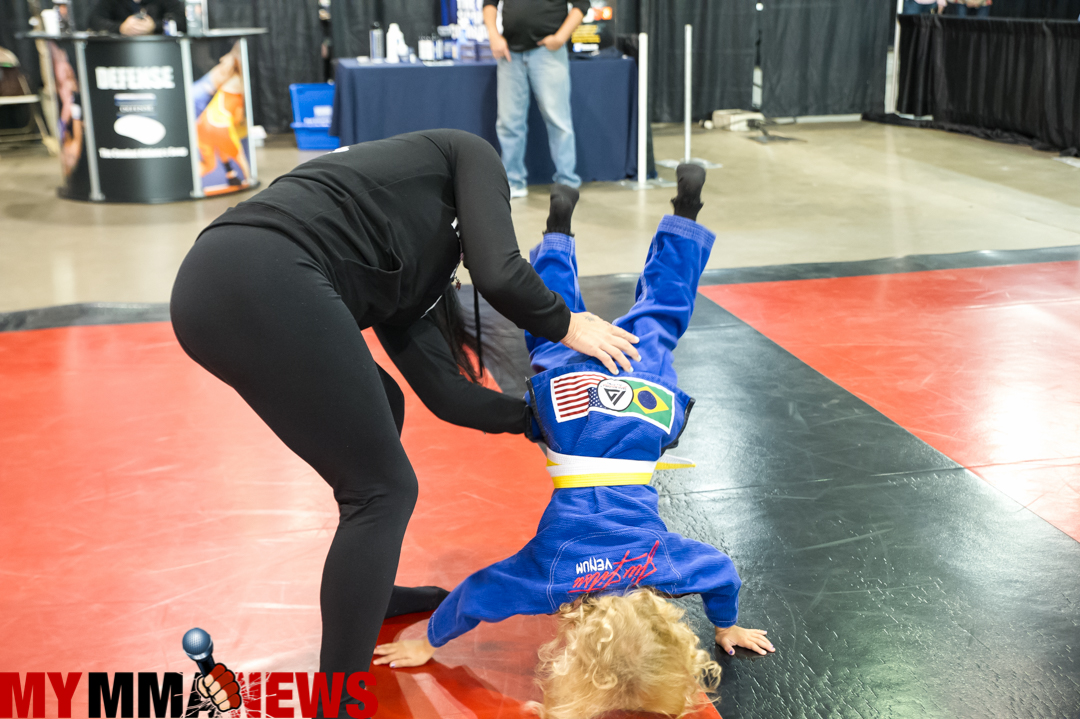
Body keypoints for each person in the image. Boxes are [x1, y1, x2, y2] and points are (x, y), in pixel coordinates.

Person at [169, 129, 639, 714]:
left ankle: (371, 592)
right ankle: (338, 704)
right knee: (381, 491)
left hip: (212, 286)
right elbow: (499, 272)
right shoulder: (468, 151)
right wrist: (566, 324)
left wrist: (539, 421)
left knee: (383, 405)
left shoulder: (410, 265)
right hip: (263, 270)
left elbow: (447, 395)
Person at [372, 168, 775, 718]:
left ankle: (685, 212)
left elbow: (721, 573)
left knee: (662, 314)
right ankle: (557, 231)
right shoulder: (553, 576)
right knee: (553, 327)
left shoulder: (666, 564)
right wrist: (429, 639)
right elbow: (480, 594)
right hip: (573, 409)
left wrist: (726, 624)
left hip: (640, 410)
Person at [483, 0, 588, 198]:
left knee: (558, 121)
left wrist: (561, 37)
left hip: (548, 52)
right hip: (510, 53)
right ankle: (513, 181)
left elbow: (582, 4)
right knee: (508, 122)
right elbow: (489, 3)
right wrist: (493, 35)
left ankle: (566, 183)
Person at [88, 0, 186, 36]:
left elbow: (182, 21)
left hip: (160, 50)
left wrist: (154, 26)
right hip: (120, 52)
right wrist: (121, 28)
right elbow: (94, 21)